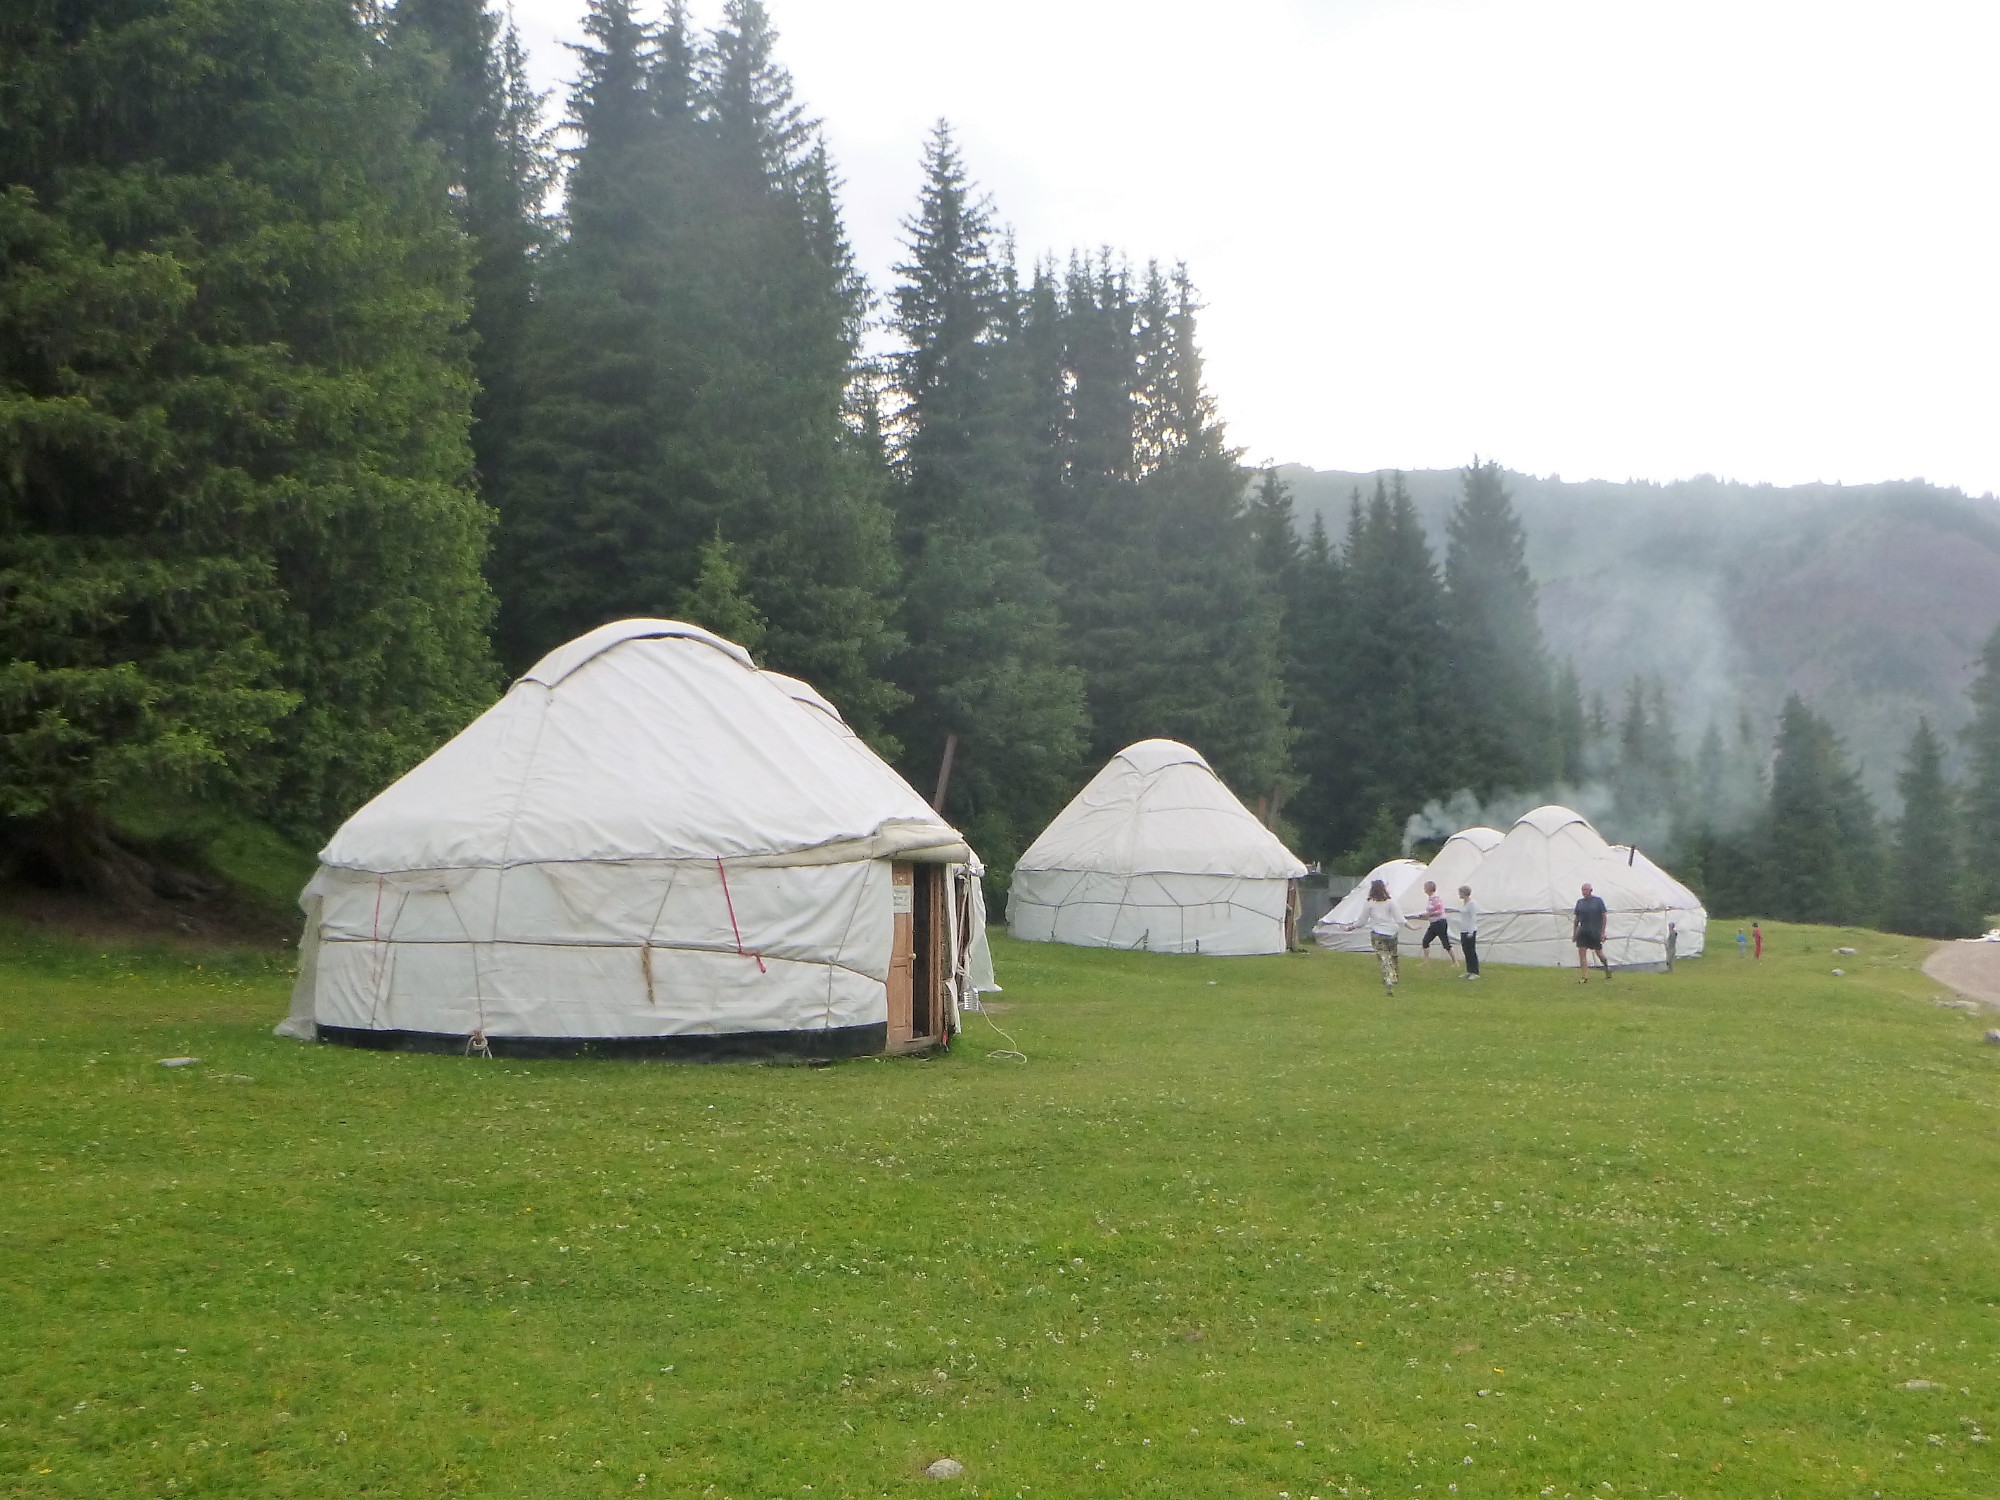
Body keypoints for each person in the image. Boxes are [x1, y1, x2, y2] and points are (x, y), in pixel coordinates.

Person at [1344, 877, 1414, 993]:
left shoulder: (1370, 903)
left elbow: (1362, 921)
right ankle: (1394, 975)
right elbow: (1400, 918)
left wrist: (1350, 928)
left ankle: (1389, 977)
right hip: (1391, 932)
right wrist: (1411, 927)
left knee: (1383, 956)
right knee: (1393, 954)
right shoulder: (1391, 902)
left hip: (1377, 933)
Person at [1573, 881, 1611, 983]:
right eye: (1582, 890)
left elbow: (1604, 917)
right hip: (1583, 931)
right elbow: (1576, 919)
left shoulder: (1598, 901)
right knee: (1582, 952)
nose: (1584, 892)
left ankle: (1607, 967)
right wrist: (1574, 933)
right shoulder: (1580, 903)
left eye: (1586, 890)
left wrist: (1603, 932)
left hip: (1594, 931)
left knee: (1599, 954)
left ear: (1591, 890)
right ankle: (1584, 976)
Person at [1419, 880, 1457, 964]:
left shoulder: (1435, 898)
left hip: (1439, 923)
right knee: (1425, 941)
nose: (1424, 889)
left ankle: (1455, 961)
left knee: (1445, 942)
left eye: (1425, 887)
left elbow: (1439, 911)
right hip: (1433, 923)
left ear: (1429, 888)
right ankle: (1426, 961)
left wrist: (1428, 914)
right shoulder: (1430, 898)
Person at [1458, 884, 1481, 979]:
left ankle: (1475, 972)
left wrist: (1471, 932)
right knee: (1465, 950)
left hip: (1470, 931)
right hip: (1463, 930)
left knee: (1471, 951)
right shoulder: (1465, 903)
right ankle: (1469, 970)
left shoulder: (1472, 904)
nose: (1459, 894)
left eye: (1460, 892)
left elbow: (1473, 918)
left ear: (1464, 893)